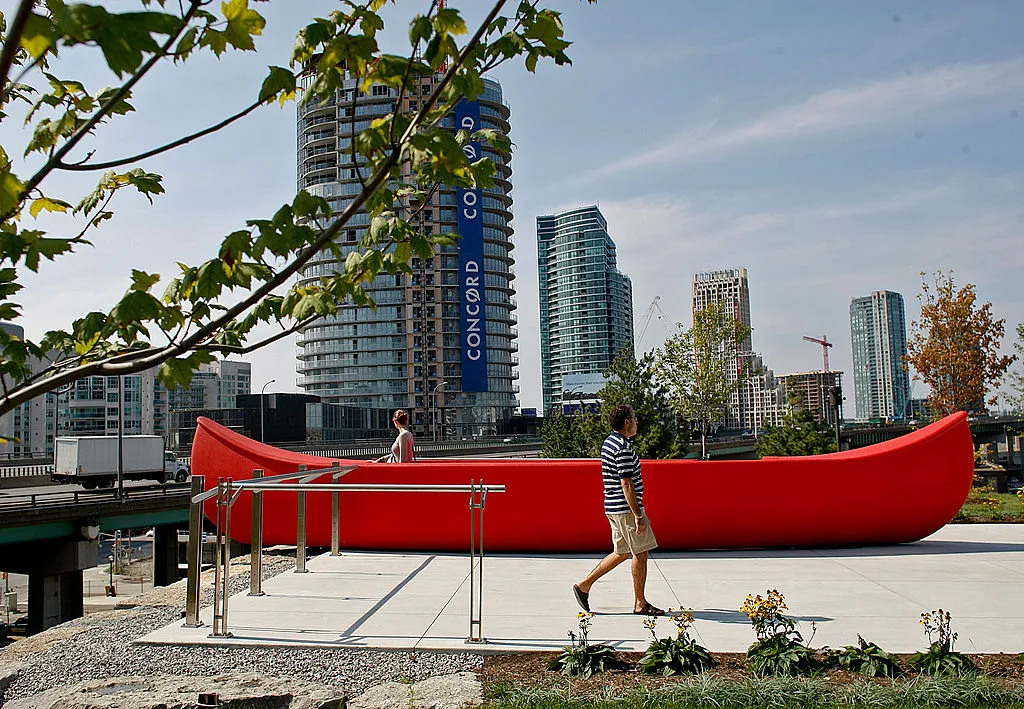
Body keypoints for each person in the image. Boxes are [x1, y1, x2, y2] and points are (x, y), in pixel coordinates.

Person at [572, 404, 664, 616]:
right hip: (626, 509)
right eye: (634, 418)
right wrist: (638, 515)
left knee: (621, 552)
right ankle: (640, 604)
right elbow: (627, 484)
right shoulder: (622, 447)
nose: (637, 422)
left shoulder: (609, 443)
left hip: (613, 507)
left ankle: (583, 586)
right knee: (640, 553)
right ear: (627, 422)